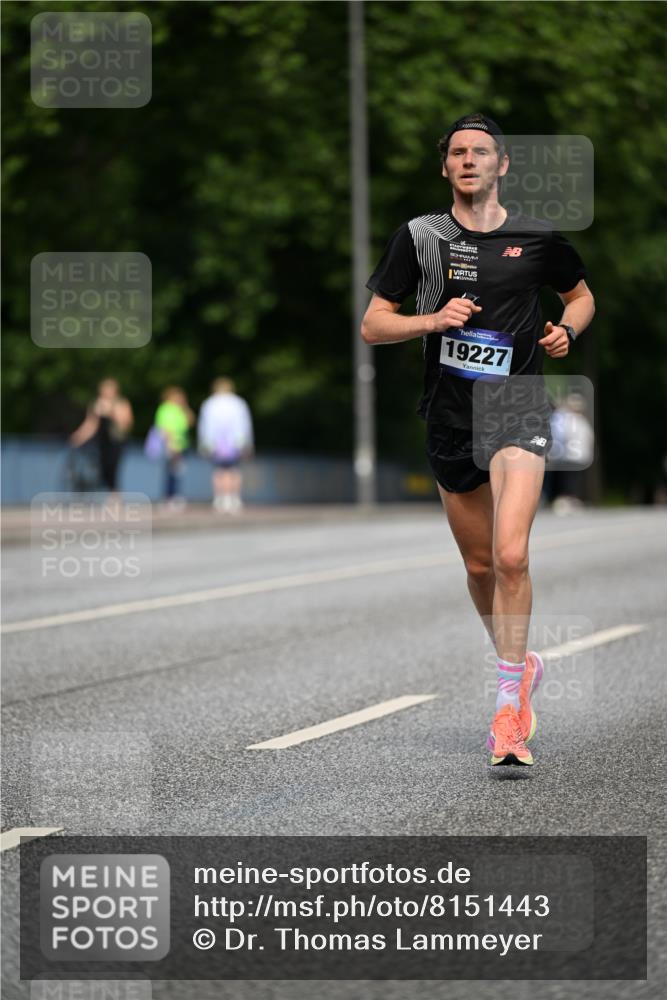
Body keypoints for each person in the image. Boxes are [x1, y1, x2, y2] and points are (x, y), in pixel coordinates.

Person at [362, 114, 595, 766]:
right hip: (449, 414)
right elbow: (373, 325)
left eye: (480, 151)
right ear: (446, 167)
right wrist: (432, 320)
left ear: (501, 164)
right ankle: (520, 668)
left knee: (511, 555)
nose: (469, 160)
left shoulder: (537, 238)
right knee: (479, 567)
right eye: (458, 152)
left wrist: (566, 331)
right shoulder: (420, 237)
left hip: (515, 405)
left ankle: (506, 712)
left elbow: (580, 297)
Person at [197, 377, 254, 513]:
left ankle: (220, 498)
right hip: (236, 442)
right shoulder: (239, 403)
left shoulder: (209, 403)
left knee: (219, 471)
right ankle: (234, 498)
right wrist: (248, 443)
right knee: (234, 470)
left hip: (215, 443)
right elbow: (245, 424)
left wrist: (204, 443)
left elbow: (204, 426)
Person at [70, 378, 134, 496]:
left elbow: (127, 422)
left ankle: (115, 495)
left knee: (113, 466)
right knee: (103, 467)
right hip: (102, 442)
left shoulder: (121, 403)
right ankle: (110, 492)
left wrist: (110, 411)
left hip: (117, 441)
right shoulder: (96, 404)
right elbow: (90, 424)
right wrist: (79, 436)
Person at [152, 386, 195, 509]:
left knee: (178, 472)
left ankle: (176, 496)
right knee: (170, 472)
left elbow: (191, 421)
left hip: (182, 445)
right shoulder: (165, 409)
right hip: (170, 445)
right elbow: (163, 428)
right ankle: (169, 497)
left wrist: (185, 407)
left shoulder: (181, 409)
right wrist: (170, 444)